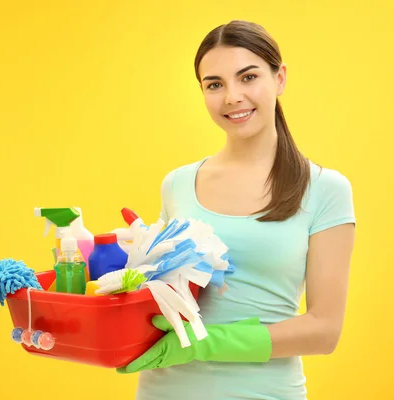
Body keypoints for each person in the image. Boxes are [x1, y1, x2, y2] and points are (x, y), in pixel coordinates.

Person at [118, 20, 356, 399]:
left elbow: (324, 330)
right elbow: (155, 293)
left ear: (279, 78)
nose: (232, 97)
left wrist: (202, 342)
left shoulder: (325, 190)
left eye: (248, 77)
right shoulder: (178, 184)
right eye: (215, 84)